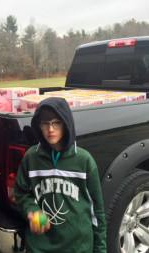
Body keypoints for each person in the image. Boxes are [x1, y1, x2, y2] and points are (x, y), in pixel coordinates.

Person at [14, 97, 107, 253]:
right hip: (40, 246)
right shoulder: (31, 157)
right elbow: (22, 193)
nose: (51, 129)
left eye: (57, 122)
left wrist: (100, 249)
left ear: (66, 123)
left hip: (78, 247)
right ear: (38, 125)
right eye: (45, 123)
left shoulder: (84, 160)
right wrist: (33, 210)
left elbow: (97, 211)